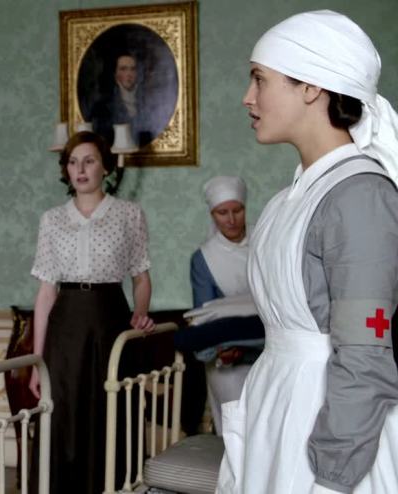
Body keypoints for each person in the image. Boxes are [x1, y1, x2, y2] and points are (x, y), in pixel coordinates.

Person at [217, 10, 398, 494]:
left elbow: (367, 352)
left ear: (312, 87)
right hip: (281, 408)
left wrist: (334, 476)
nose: (248, 97)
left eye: (260, 79)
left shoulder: (360, 198)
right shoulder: (290, 199)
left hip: (331, 432)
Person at [28, 130, 154, 493]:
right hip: (65, 327)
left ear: (106, 168)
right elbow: (46, 292)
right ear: (66, 170)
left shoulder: (129, 214)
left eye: (89, 161)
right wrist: (37, 360)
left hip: (110, 322)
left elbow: (141, 278)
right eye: (72, 162)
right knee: (63, 414)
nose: (80, 169)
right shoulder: (52, 219)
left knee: (112, 410)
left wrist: (140, 314)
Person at [188, 176, 259, 435]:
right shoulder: (205, 258)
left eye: (237, 210)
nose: (231, 219)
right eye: (222, 213)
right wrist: (225, 350)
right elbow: (205, 315)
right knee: (237, 420)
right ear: (212, 215)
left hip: (269, 347)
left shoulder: (265, 240)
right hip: (226, 355)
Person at [90, 53, 155, 149]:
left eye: (133, 69)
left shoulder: (148, 104)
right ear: (115, 74)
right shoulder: (102, 107)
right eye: (123, 69)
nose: (129, 74)